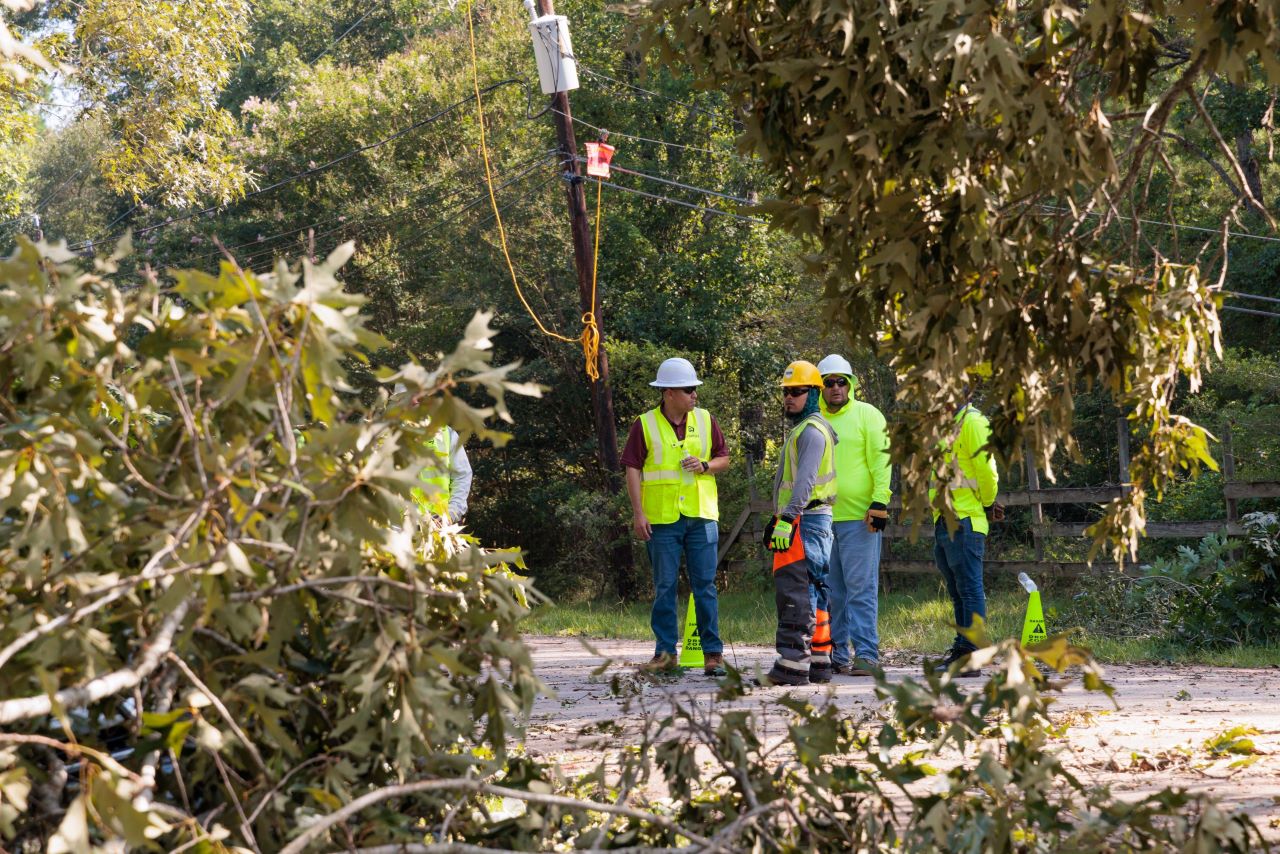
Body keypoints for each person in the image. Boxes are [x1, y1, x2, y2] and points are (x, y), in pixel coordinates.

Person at [622, 357, 730, 677]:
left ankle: (713, 655)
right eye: (688, 389)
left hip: (701, 515)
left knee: (705, 586)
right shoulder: (644, 424)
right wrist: (638, 513)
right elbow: (632, 468)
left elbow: (724, 459)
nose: (695, 394)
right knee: (665, 586)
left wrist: (706, 466)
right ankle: (665, 655)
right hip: (662, 519)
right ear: (669, 392)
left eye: (695, 389)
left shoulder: (707, 420)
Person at [816, 354, 891, 677]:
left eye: (841, 382)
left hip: (861, 519)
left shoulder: (868, 415)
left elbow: (881, 461)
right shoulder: (814, 419)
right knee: (832, 591)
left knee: (861, 588)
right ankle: (836, 652)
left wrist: (880, 502)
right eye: (829, 382)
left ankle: (866, 654)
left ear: (851, 384)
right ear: (820, 387)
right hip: (822, 519)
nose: (835, 388)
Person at [764, 360, 838, 686]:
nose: (789, 398)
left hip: (805, 520)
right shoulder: (808, 428)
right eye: (786, 392)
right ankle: (819, 662)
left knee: (799, 591)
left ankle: (792, 666)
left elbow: (804, 484)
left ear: (813, 393)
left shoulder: (811, 432)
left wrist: (787, 519)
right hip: (813, 520)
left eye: (796, 392)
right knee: (817, 591)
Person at [929, 401, 999, 677]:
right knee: (958, 591)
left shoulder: (972, 422)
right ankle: (963, 647)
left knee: (969, 588)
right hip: (945, 518)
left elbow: (986, 472)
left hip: (966, 518)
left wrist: (990, 502)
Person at [395, 383, 473, 523]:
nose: (414, 402)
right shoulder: (381, 435)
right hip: (397, 528)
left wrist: (452, 513)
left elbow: (462, 475)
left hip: (438, 526)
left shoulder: (445, 433)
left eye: (419, 397)